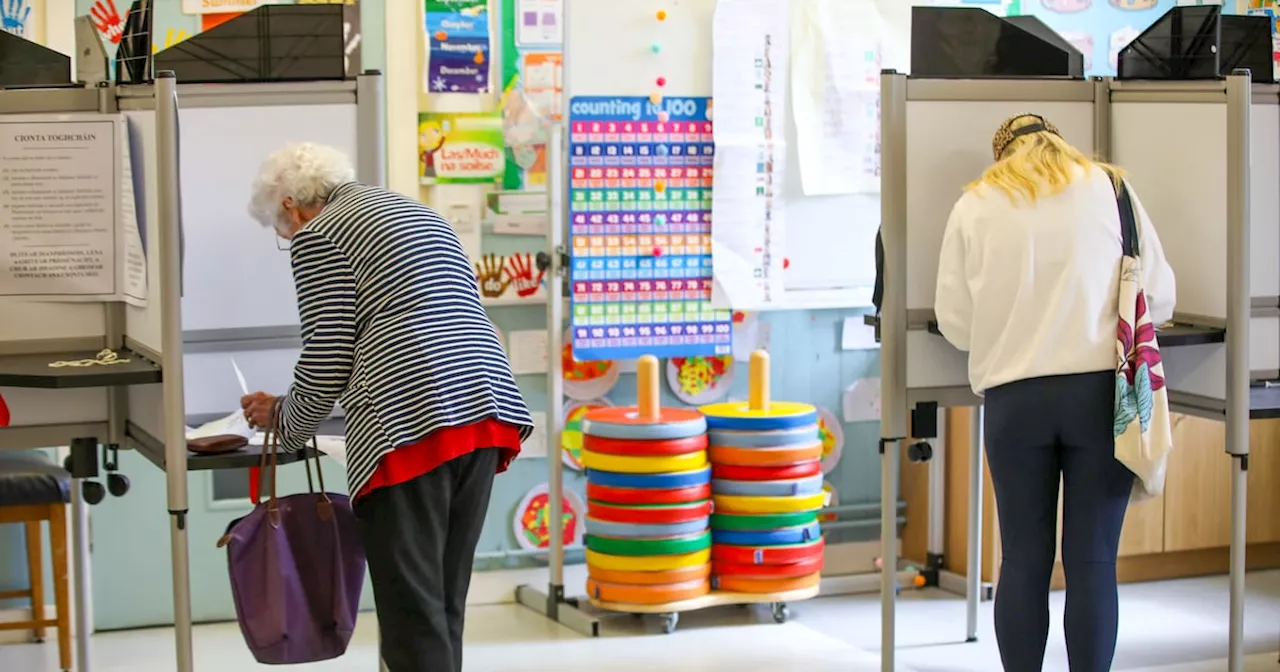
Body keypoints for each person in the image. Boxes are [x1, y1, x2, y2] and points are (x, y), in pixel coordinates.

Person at [240, 142, 532, 672]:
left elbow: (328, 354)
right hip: (486, 409)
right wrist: (287, 408)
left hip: (412, 426)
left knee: (412, 614)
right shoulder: (414, 212)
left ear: (290, 205)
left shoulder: (319, 235)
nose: (289, 240)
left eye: (282, 233)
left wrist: (286, 422)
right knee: (442, 602)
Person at [934, 114, 1176, 672]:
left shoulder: (976, 203)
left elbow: (955, 321)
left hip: (1014, 402)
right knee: (1092, 560)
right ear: (1063, 146)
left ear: (1003, 156)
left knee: (1021, 558)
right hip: (1100, 397)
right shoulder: (1113, 190)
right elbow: (1157, 297)